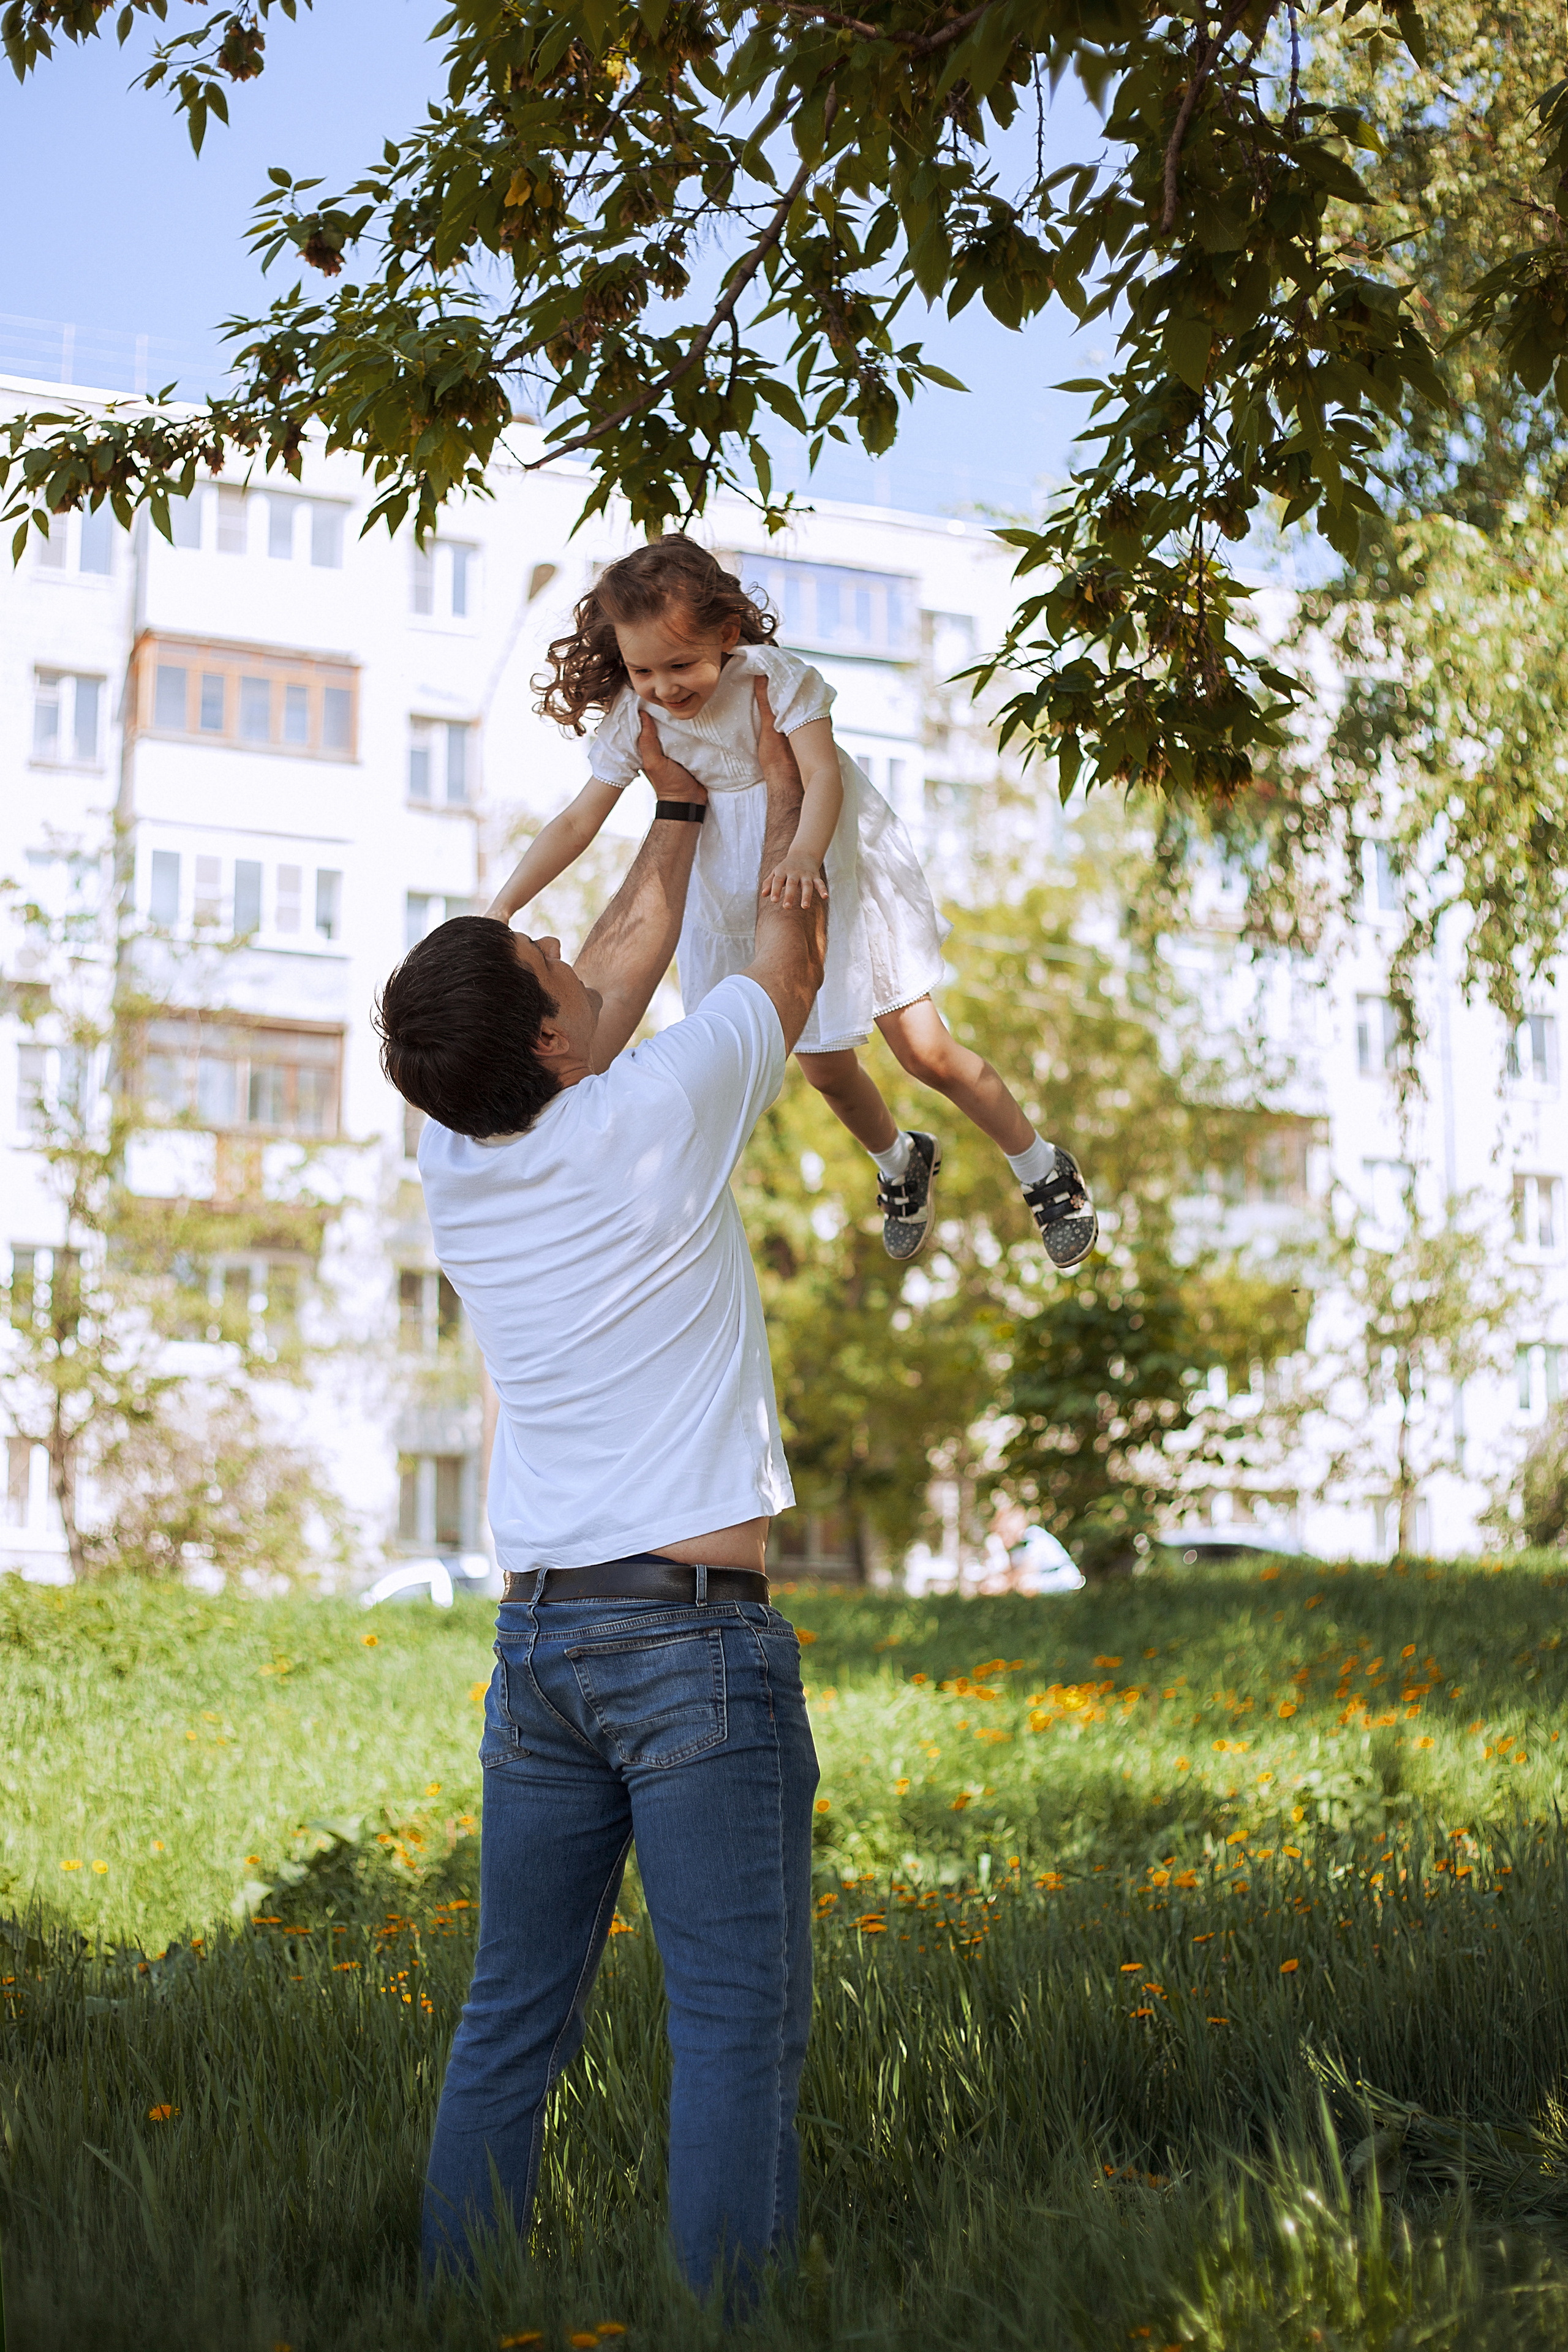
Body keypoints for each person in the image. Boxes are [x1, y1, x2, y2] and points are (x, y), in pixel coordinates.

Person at [373, 682, 827, 2310]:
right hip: (693, 1651)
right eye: (550, 960)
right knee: (731, 2028)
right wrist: (789, 820)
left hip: (544, 1650)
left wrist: (675, 812)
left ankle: (454, 2305)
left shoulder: (460, 1153)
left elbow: (613, 973)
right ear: (556, 1039)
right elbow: (786, 975)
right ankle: (730, 2328)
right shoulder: (662, 1113)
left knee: (512, 2017)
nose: (573, 948)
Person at [486, 534, 1098, 1272]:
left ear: (727, 634)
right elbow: (578, 820)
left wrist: (804, 850)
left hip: (828, 862)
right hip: (739, 893)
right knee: (824, 1067)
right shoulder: (634, 714)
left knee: (923, 1049)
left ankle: (1041, 1167)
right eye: (643, 669)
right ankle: (901, 1160)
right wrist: (503, 909)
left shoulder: (774, 681)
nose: (664, 688)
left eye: (681, 665)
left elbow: (823, 775)